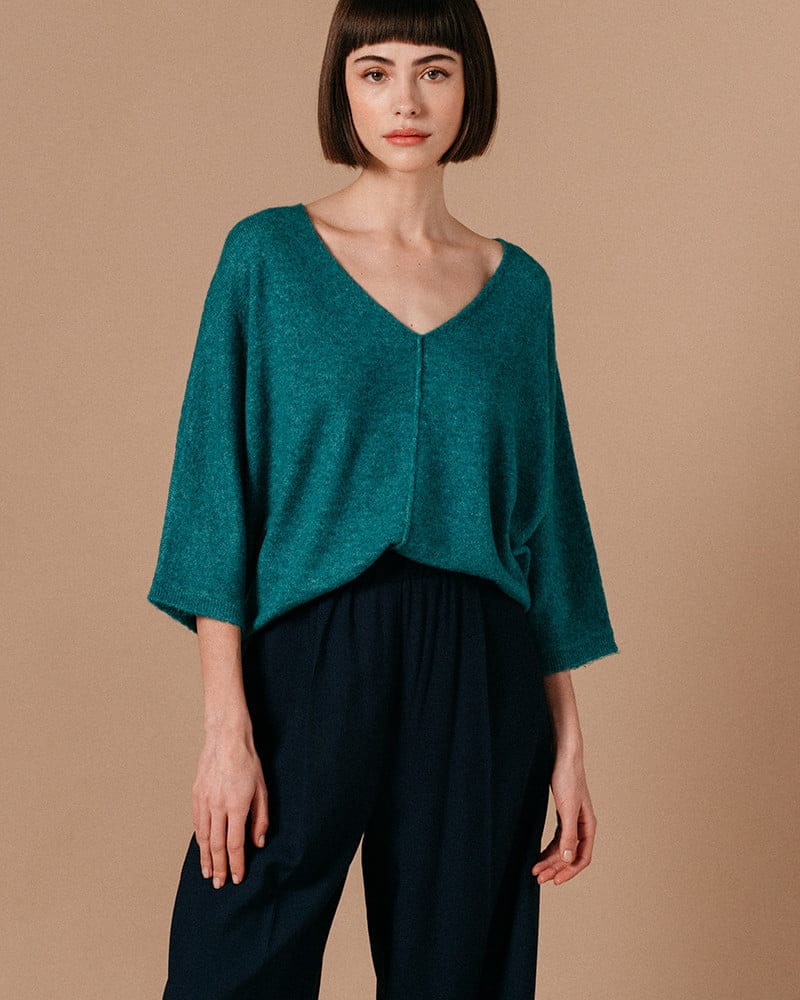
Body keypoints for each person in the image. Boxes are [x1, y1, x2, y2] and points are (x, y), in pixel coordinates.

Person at [147, 0, 619, 997]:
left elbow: (542, 517)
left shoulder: (516, 288)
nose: (405, 100)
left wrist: (568, 741)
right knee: (234, 959)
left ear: (469, 87)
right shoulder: (267, 257)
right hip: (308, 655)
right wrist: (225, 728)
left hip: (479, 664)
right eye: (375, 71)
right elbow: (214, 491)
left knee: (460, 973)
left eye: (433, 70)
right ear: (344, 88)